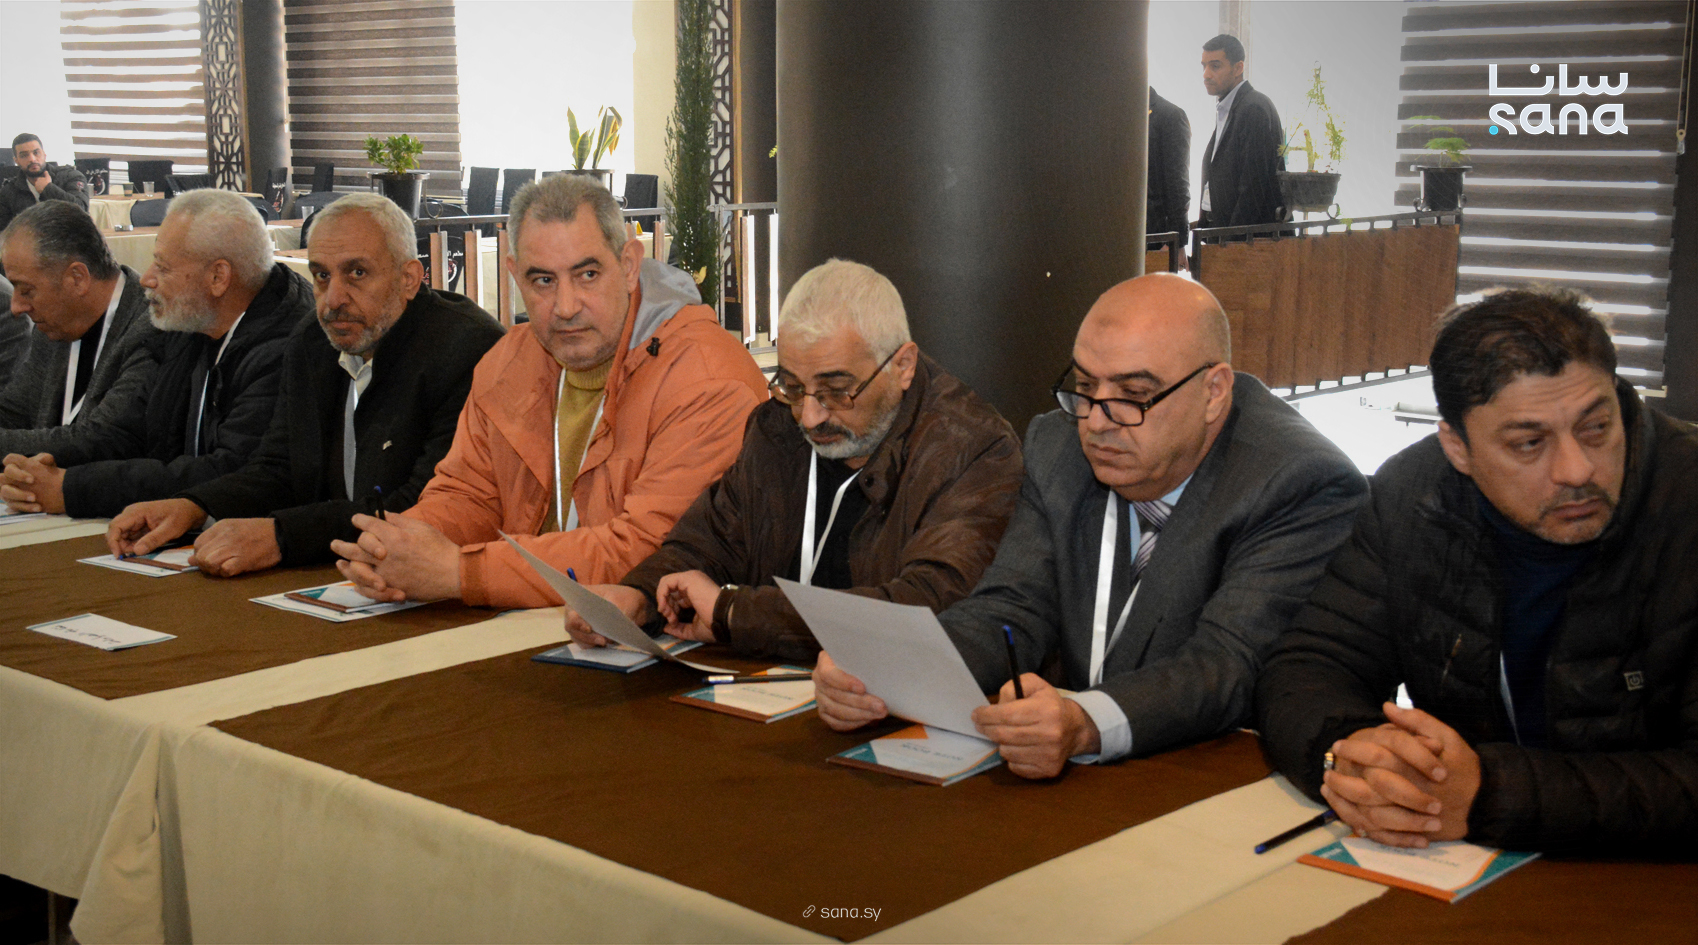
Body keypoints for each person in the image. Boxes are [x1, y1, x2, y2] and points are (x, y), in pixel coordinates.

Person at [814, 273, 1367, 779]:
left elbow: (1224, 666)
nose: (1097, 420)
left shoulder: (1295, 481)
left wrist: (1084, 723)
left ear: (1214, 391)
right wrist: (887, 670)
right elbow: (1012, 608)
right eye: (1085, 385)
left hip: (1210, 775)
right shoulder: (1058, 445)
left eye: (1133, 395)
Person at [1257, 288, 1698, 855]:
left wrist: (1489, 795)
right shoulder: (1412, 497)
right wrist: (1352, 757)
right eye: (1529, 443)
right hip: (1468, 861)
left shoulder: (1684, 500)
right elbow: (1313, 662)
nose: (1577, 469)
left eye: (1596, 428)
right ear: (1457, 448)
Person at [331, 174, 767, 609]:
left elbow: (652, 552)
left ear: (630, 266)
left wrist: (461, 572)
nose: (565, 307)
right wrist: (399, 547)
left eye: (588, 274)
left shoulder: (707, 378)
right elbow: (467, 495)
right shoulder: (508, 359)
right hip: (522, 614)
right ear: (515, 275)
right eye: (543, 281)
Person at [566, 258, 1025, 661]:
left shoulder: (971, 450)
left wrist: (735, 613)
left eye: (836, 391)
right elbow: (707, 544)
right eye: (792, 386)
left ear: (902, 366)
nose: (809, 416)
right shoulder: (776, 428)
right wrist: (640, 597)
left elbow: (924, 608)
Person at [104, 193, 503, 576]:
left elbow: (425, 506)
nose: (334, 299)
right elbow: (280, 468)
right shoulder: (313, 340)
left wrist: (283, 536)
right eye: (322, 275)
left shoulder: (467, 350)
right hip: (342, 569)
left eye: (357, 273)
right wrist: (194, 507)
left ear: (409, 279)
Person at [2, 189, 313, 517]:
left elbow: (232, 472)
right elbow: (124, 433)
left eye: (162, 267)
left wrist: (72, 488)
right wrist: (42, 472)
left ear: (218, 277)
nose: (147, 279)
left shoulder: (286, 347)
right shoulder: (186, 325)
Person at [0, 200, 156, 459]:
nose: (16, 307)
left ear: (77, 278)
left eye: (26, 290)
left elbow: (98, 439)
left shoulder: (150, 326)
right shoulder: (55, 325)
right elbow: (14, 410)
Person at [1196, 35, 1284, 228]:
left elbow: (1253, 186)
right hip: (1220, 232)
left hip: (1243, 238)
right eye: (1204, 66)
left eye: (1215, 66)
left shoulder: (1254, 108)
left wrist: (1232, 239)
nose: (1206, 74)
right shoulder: (1229, 106)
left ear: (1238, 68)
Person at [0, 135, 90, 234]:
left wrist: (48, 189)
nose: (32, 159)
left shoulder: (70, 176)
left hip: (69, 239)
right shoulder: (9, 191)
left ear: (44, 154)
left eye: (36, 153)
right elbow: (3, 232)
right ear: (16, 160)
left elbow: (81, 212)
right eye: (24, 155)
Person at [1146, 86, 1191, 253]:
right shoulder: (1112, 113)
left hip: (1156, 240)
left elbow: (1177, 184)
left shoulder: (1170, 115)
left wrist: (1176, 244)